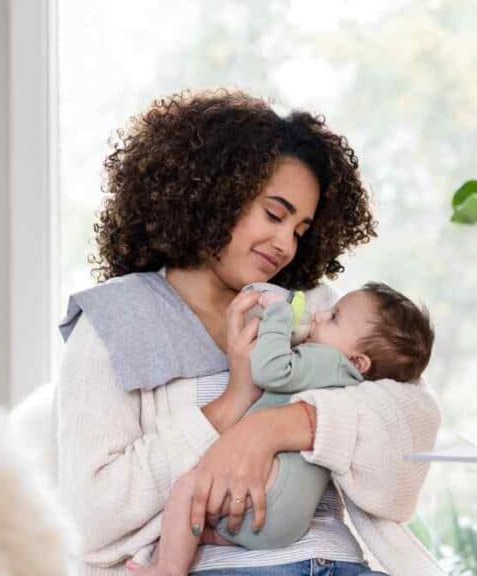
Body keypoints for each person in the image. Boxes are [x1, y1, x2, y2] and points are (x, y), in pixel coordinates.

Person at [55, 90, 442, 576]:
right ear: (213, 194)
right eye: (274, 215)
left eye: (300, 230)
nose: (285, 244)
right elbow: (90, 518)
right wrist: (232, 402)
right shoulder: (115, 321)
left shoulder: (314, 307)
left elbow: (412, 430)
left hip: (339, 561)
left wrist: (277, 426)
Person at [126, 283, 435, 576]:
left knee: (188, 488)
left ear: (358, 361)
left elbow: (270, 370)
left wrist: (278, 316)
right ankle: (213, 537)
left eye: (334, 317)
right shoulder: (346, 381)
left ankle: (168, 567)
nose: (320, 314)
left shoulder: (326, 361)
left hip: (270, 500)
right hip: (288, 522)